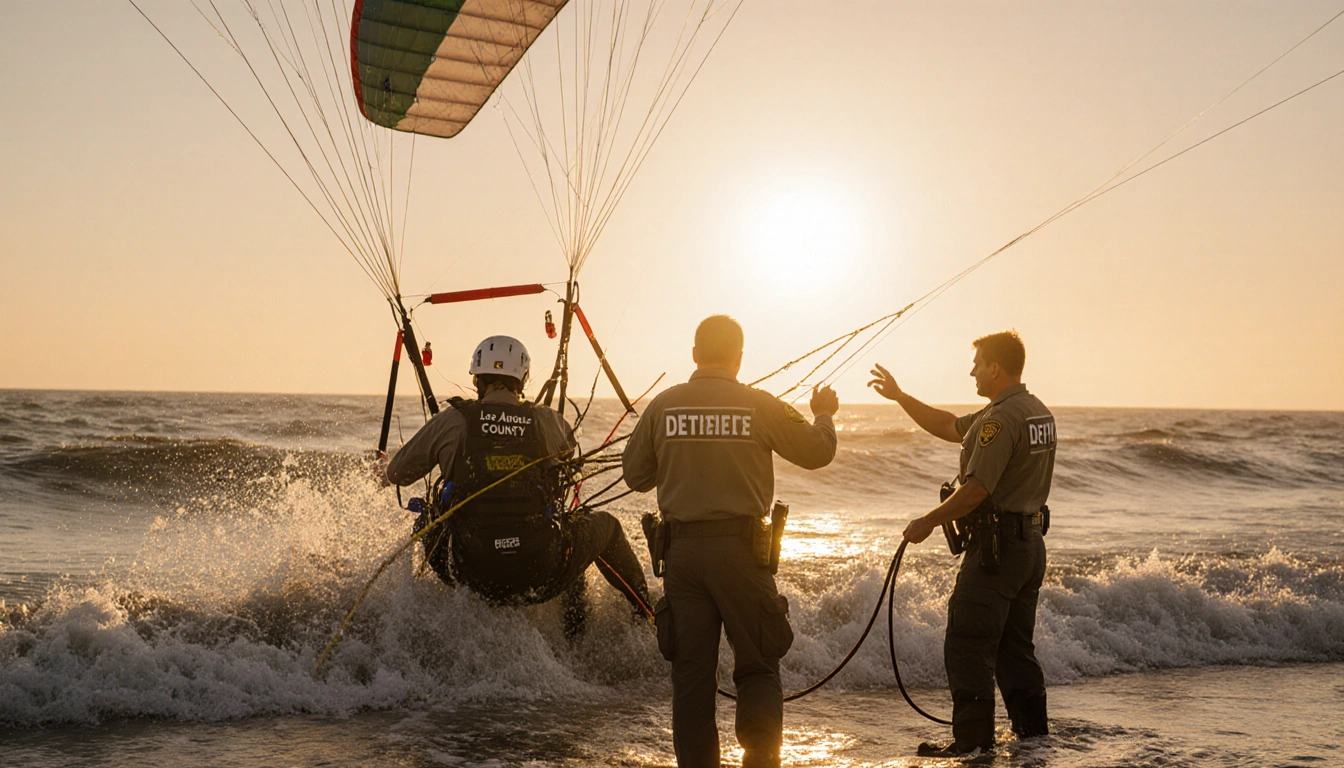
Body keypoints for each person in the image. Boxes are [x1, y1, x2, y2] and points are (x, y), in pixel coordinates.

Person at [623, 315, 839, 768]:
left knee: (692, 677)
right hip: (743, 555)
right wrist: (823, 413)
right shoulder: (759, 404)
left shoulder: (664, 406)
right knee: (758, 667)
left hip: (681, 556)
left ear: (695, 354)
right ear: (740, 359)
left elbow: (634, 475)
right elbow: (818, 452)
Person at [384, 335, 650, 638]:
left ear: (477, 380)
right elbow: (569, 461)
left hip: (469, 571)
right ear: (522, 379)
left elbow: (397, 474)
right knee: (597, 528)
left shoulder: (453, 420)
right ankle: (636, 622)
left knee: (426, 519)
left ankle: (420, 625)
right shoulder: (547, 420)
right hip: (540, 569)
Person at [869, 330, 1056, 757]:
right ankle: (1035, 737)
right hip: (1030, 548)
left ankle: (972, 745)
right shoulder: (1035, 412)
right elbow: (945, 425)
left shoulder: (999, 420)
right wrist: (900, 396)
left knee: (967, 643)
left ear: (995, 367)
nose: (971, 370)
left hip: (997, 553)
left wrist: (927, 521)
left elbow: (976, 491)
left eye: (977, 362)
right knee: (1014, 648)